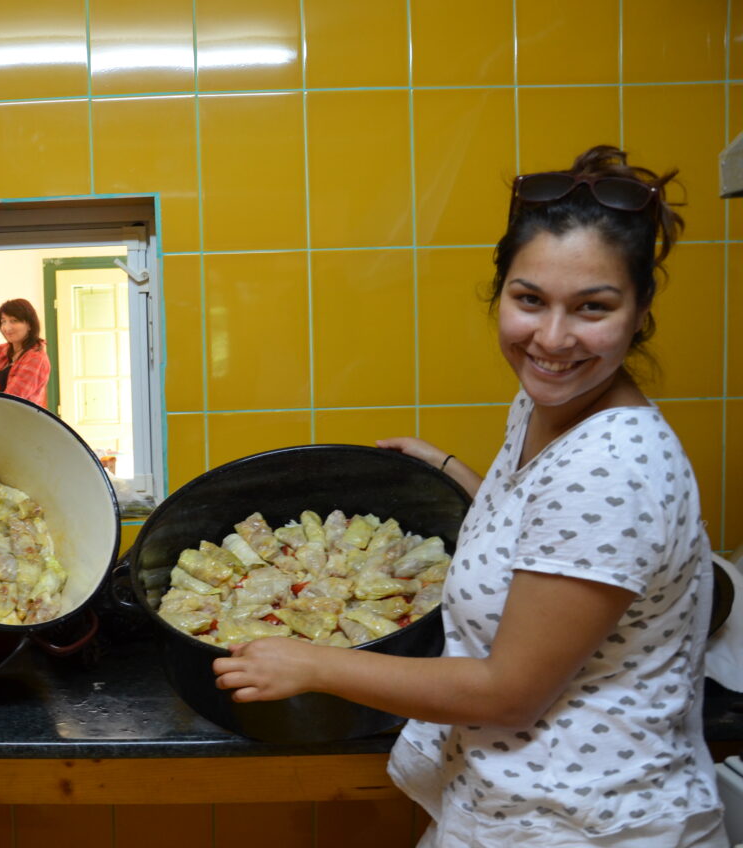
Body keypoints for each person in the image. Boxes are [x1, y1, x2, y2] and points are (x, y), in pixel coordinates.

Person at [213, 146, 726, 846]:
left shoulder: (615, 465)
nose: (552, 337)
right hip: (514, 803)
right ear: (500, 291)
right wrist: (452, 468)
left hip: (591, 823)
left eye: (592, 307)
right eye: (530, 300)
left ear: (639, 312)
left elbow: (509, 692)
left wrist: (313, 662)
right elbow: (551, 536)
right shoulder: (553, 403)